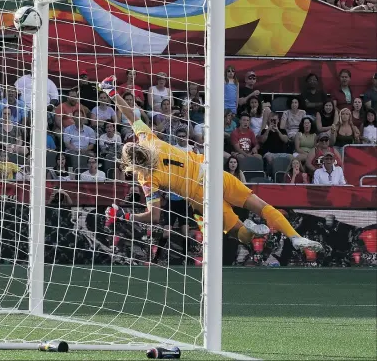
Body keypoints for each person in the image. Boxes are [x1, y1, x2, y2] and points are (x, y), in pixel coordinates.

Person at [98, 75, 322, 252]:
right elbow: (130, 115)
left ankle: (254, 235)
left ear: (130, 166)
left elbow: (154, 216)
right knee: (262, 207)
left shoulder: (146, 178)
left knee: (236, 233)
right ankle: (295, 237)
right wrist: (111, 91)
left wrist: (124, 215)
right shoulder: (150, 140)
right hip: (213, 174)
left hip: (200, 197)